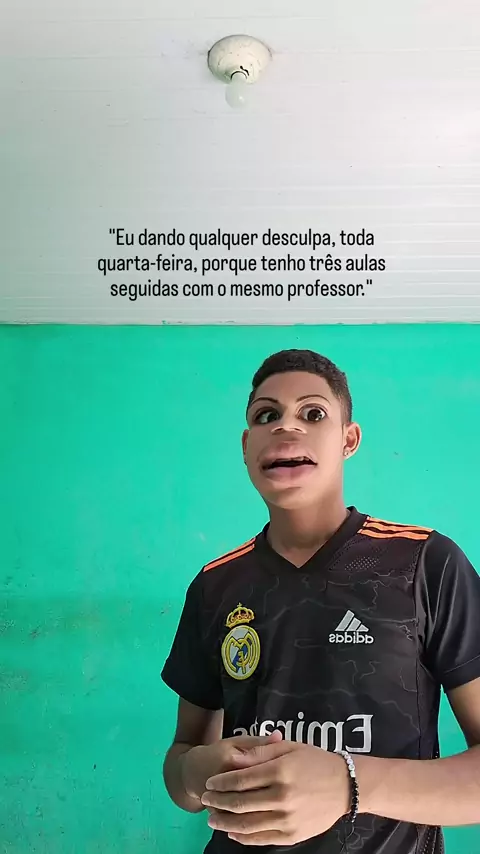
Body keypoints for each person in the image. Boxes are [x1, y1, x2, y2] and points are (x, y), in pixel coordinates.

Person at [161, 348, 480, 853]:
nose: (286, 427)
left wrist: (347, 783)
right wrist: (195, 773)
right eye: (266, 415)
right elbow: (182, 762)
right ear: (246, 446)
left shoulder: (425, 563)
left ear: (348, 439)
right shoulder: (215, 585)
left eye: (313, 414)